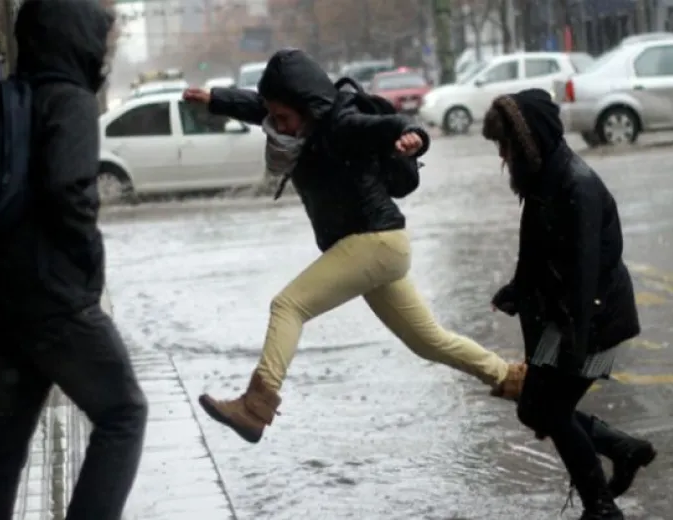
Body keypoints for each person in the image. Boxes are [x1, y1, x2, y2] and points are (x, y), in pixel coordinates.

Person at [181, 48, 525, 445]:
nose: (279, 127)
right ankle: (511, 378)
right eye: (274, 118)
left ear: (309, 108)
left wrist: (413, 137)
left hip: (375, 242)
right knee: (427, 340)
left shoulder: (342, 124)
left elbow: (393, 124)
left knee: (288, 306)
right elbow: (258, 105)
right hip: (373, 247)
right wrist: (216, 99)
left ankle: (255, 407)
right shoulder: (298, 121)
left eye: (284, 118)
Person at [0, 1, 147, 518]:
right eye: (101, 38)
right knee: (123, 412)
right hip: (53, 300)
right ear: (77, 37)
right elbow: (70, 192)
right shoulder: (70, 100)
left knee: (3, 439)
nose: (104, 49)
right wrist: (87, 272)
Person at [483, 89, 656, 520]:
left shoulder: (577, 186)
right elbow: (536, 250)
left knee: (552, 411)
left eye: (506, 146)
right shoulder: (543, 178)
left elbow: (583, 273)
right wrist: (517, 289)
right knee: (535, 408)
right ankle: (622, 449)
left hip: (595, 319)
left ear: (527, 143)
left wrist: (577, 342)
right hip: (567, 317)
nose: (502, 157)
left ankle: (601, 505)